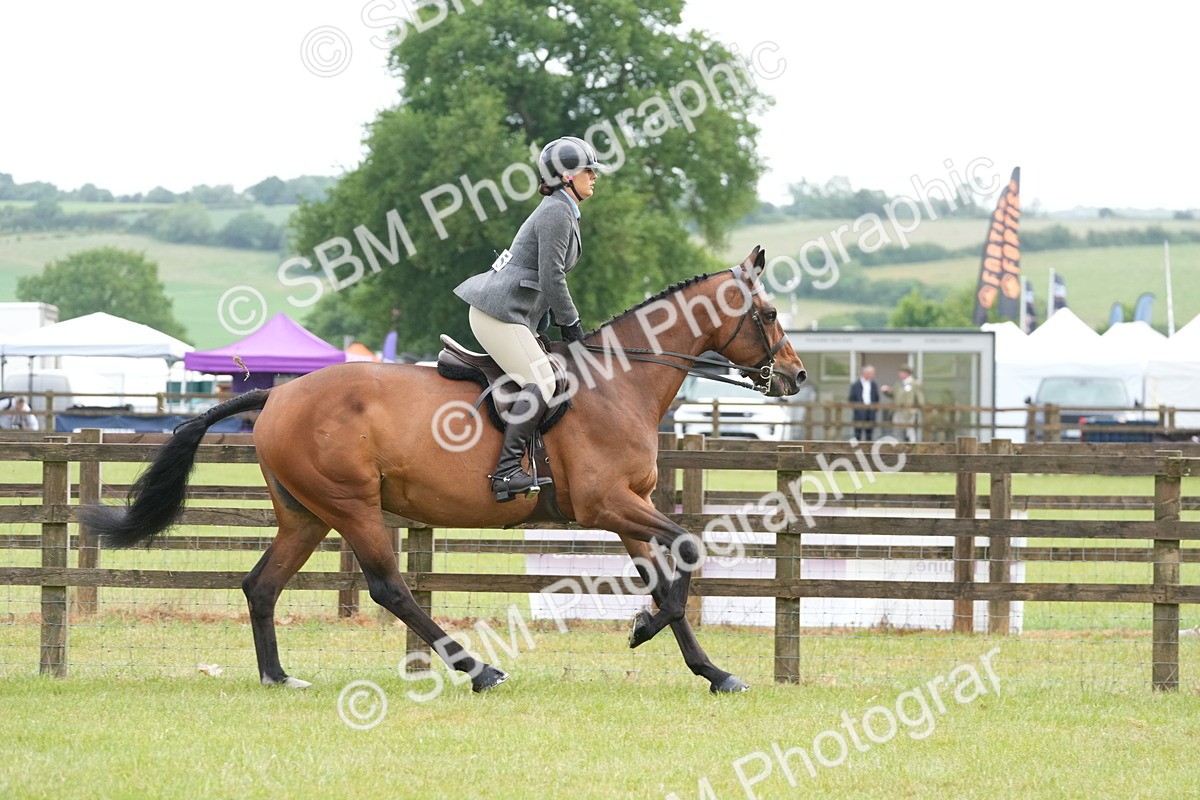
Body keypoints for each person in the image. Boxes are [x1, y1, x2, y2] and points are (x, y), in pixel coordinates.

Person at [452, 136, 603, 502]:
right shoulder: (556, 211)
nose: (594, 176)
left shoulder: (563, 209)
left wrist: (544, 319)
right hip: (498, 314)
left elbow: (539, 275)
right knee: (542, 381)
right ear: (567, 176)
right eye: (588, 170)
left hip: (513, 314)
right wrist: (571, 324)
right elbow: (551, 275)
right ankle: (506, 472)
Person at [882, 365, 925, 443]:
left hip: (909, 412)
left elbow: (920, 398)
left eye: (901, 372)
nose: (899, 374)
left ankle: (913, 447)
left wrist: (917, 409)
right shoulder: (898, 383)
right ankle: (898, 447)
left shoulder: (915, 384)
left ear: (906, 373)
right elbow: (892, 393)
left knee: (910, 431)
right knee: (897, 431)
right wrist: (886, 391)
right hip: (897, 411)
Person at [847, 365, 881, 442]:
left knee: (869, 433)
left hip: (871, 410)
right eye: (872, 373)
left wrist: (874, 409)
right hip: (859, 412)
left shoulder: (873, 384)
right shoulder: (856, 384)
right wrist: (857, 408)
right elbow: (851, 398)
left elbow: (876, 397)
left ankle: (868, 448)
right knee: (858, 433)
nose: (873, 375)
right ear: (866, 373)